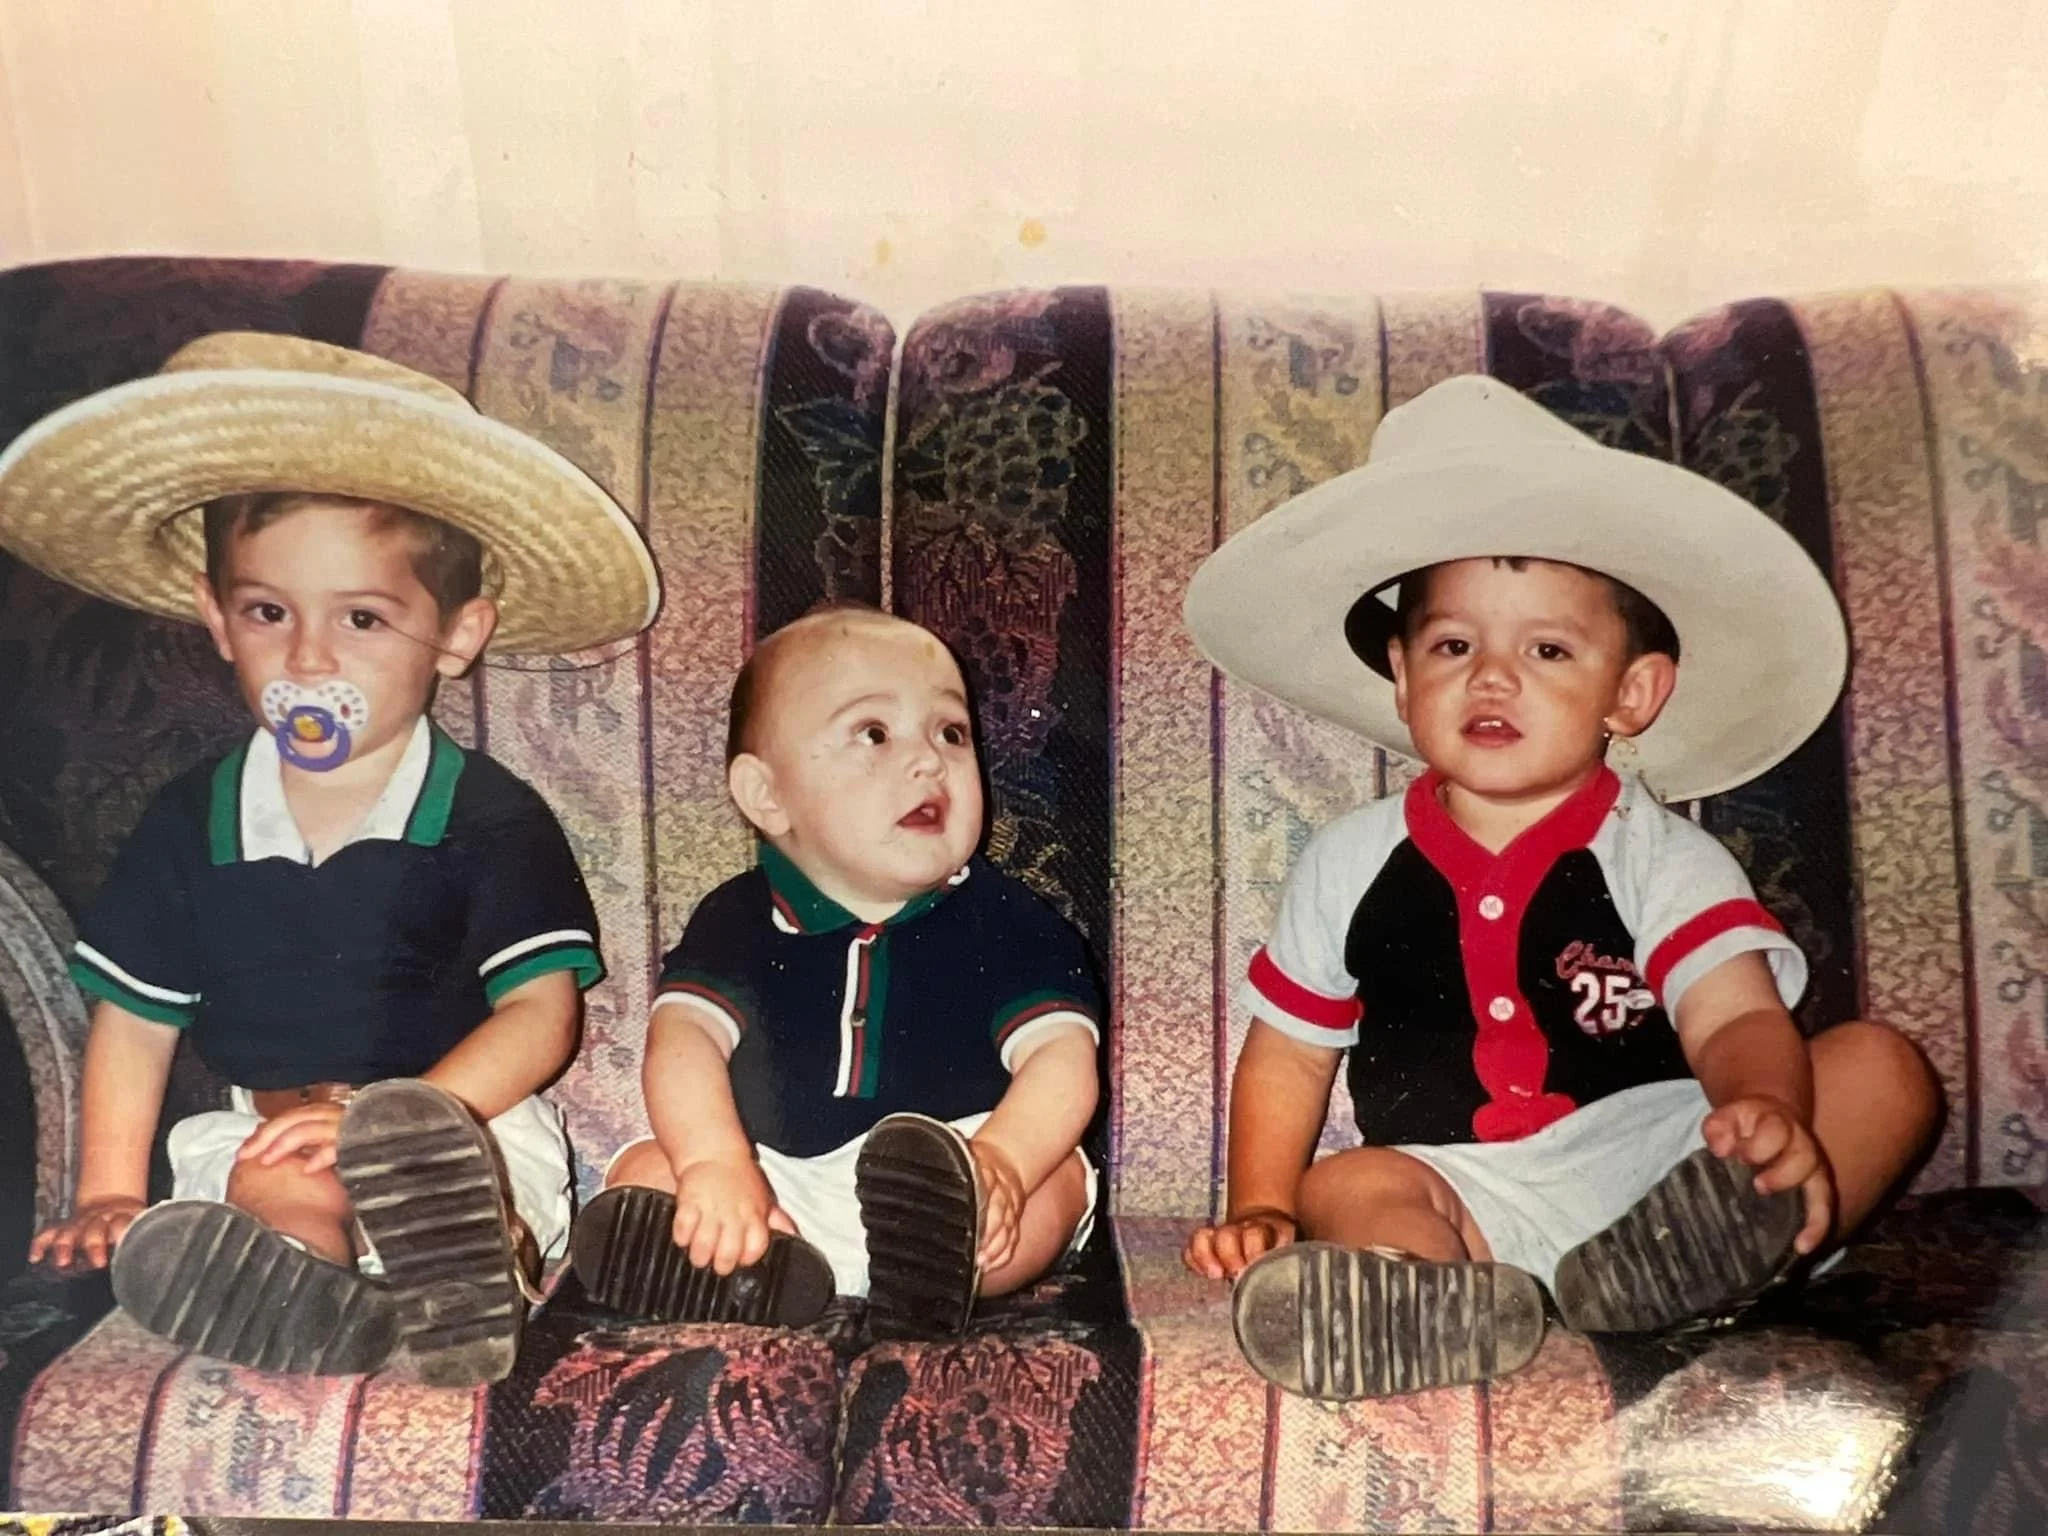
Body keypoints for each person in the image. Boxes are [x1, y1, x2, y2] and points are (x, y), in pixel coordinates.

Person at [1178, 374, 1943, 1400]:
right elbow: (1286, 1053)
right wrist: (1260, 1205)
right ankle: (1432, 1302)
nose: (1491, 679)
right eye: (1453, 646)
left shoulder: (1658, 856)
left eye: (1545, 649)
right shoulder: (1347, 862)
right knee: (1346, 1182)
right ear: (1401, 677)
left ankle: (1718, 1253)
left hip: (1672, 1162)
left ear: (1629, 693)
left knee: (1880, 1068)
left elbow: (1730, 1016)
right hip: (1470, 1190)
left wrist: (1760, 1110)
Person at [4, 331, 660, 1386]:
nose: (308, 658)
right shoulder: (189, 822)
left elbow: (542, 1013)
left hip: (455, 1123)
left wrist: (399, 1116)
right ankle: (309, 1300)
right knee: (280, 1204)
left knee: (446, 1194)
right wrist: (108, 1190)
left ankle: (470, 1279)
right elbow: (135, 1019)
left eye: (362, 617)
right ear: (218, 620)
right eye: (269, 612)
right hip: (269, 1128)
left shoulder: (487, 817)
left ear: (456, 634)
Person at [571, 604, 1102, 1339]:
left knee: (1059, 1183)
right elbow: (683, 1043)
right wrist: (714, 1163)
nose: (929, 761)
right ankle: (759, 1262)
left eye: (951, 733)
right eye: (874, 733)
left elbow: (1061, 1060)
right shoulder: (735, 918)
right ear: (767, 795)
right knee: (645, 1171)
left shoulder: (1012, 921)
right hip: (773, 1180)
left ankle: (929, 1272)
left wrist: (1004, 1164)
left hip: (959, 1177)